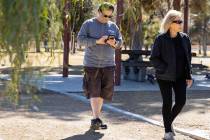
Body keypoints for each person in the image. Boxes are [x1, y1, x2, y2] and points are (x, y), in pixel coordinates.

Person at [77, 2, 122, 130]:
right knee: (94, 90)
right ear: (98, 12)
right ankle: (96, 118)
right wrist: (97, 41)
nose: (107, 18)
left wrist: (114, 43)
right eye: (104, 15)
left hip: (108, 64)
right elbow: (80, 40)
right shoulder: (88, 24)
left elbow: (120, 42)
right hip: (92, 64)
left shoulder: (113, 26)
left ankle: (96, 118)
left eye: (109, 16)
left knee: (103, 92)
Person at [150, 10, 193, 140]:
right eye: (177, 21)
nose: (180, 24)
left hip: (180, 76)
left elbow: (188, 58)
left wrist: (189, 76)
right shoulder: (161, 39)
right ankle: (168, 131)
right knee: (167, 102)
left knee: (181, 101)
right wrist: (165, 68)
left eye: (181, 21)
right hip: (164, 77)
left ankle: (168, 123)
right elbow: (154, 58)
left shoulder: (185, 38)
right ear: (170, 23)